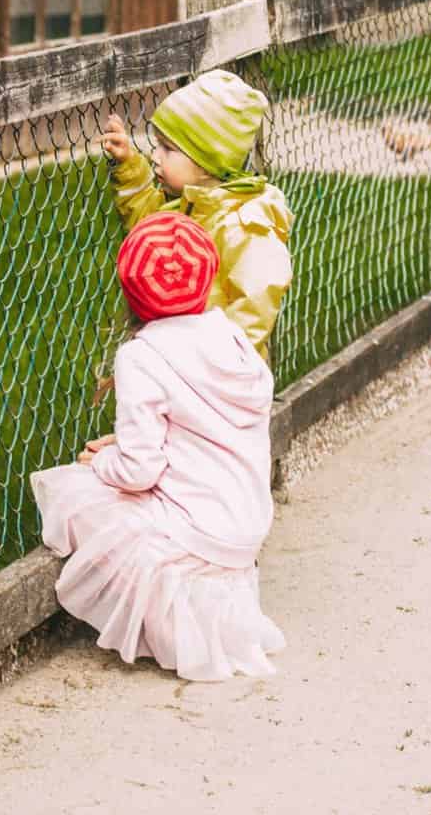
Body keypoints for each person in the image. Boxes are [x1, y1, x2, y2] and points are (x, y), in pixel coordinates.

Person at [32, 211, 285, 682]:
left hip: (199, 531)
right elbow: (204, 428)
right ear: (208, 281)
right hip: (245, 526)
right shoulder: (233, 337)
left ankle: (163, 621)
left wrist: (103, 459)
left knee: (75, 492)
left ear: (131, 293)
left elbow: (138, 472)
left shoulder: (141, 356)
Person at [100, 68, 292, 365]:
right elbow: (145, 227)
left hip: (223, 376)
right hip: (175, 360)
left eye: (168, 149)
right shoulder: (183, 204)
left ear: (206, 162)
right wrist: (128, 167)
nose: (155, 156)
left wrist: (224, 362)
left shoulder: (243, 222)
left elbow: (256, 300)